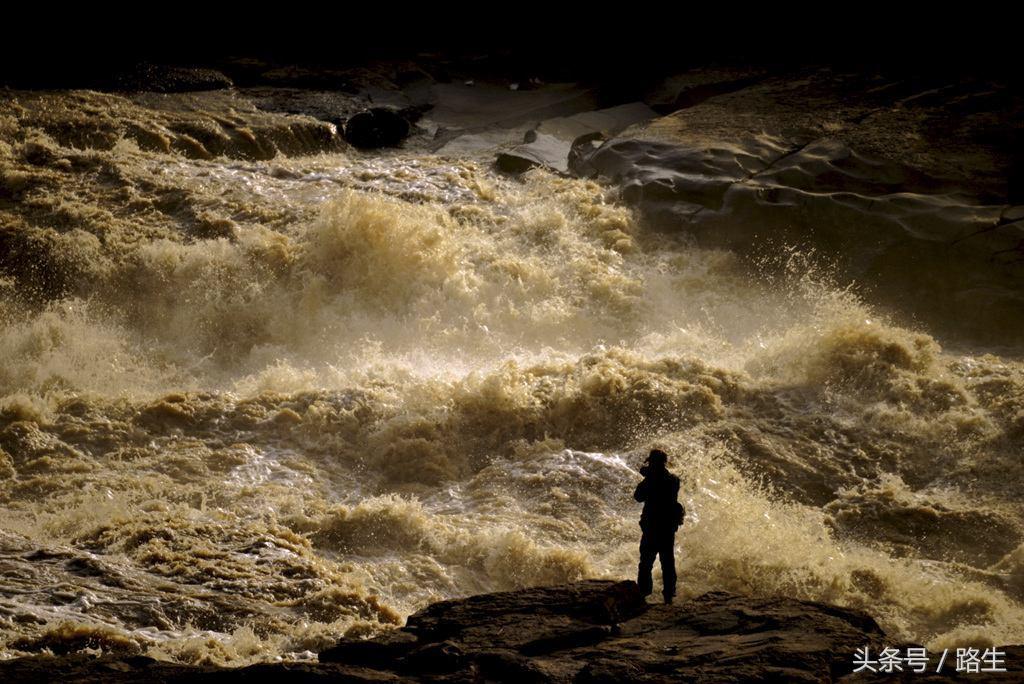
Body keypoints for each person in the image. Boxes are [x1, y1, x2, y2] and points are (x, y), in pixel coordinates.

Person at [633, 448, 682, 604]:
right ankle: (669, 596)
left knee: (646, 563)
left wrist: (647, 476)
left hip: (653, 527)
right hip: (667, 527)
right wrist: (650, 475)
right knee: (667, 563)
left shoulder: (651, 481)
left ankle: (643, 594)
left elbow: (638, 497)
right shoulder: (673, 480)